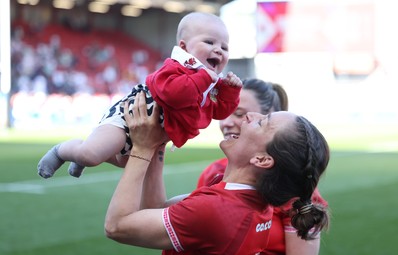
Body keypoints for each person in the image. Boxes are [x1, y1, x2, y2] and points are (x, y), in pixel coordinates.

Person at [104, 90, 330, 254]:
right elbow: (155, 210)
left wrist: (143, 148)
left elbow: (117, 226)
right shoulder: (246, 200)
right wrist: (157, 145)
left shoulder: (219, 211)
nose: (250, 116)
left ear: (261, 159)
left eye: (262, 122)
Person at [37, 12, 242, 179]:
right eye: (209, 42)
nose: (219, 50)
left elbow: (218, 112)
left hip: (148, 133)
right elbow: (174, 95)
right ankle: (64, 150)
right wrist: (204, 79)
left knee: (126, 162)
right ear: (184, 47)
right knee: (91, 154)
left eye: (224, 47)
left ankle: (84, 155)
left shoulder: (209, 81)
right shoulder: (175, 67)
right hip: (129, 117)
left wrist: (230, 91)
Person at [196, 78, 328, 255]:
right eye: (224, 111)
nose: (225, 122)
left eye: (239, 113)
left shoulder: (292, 188)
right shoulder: (212, 173)